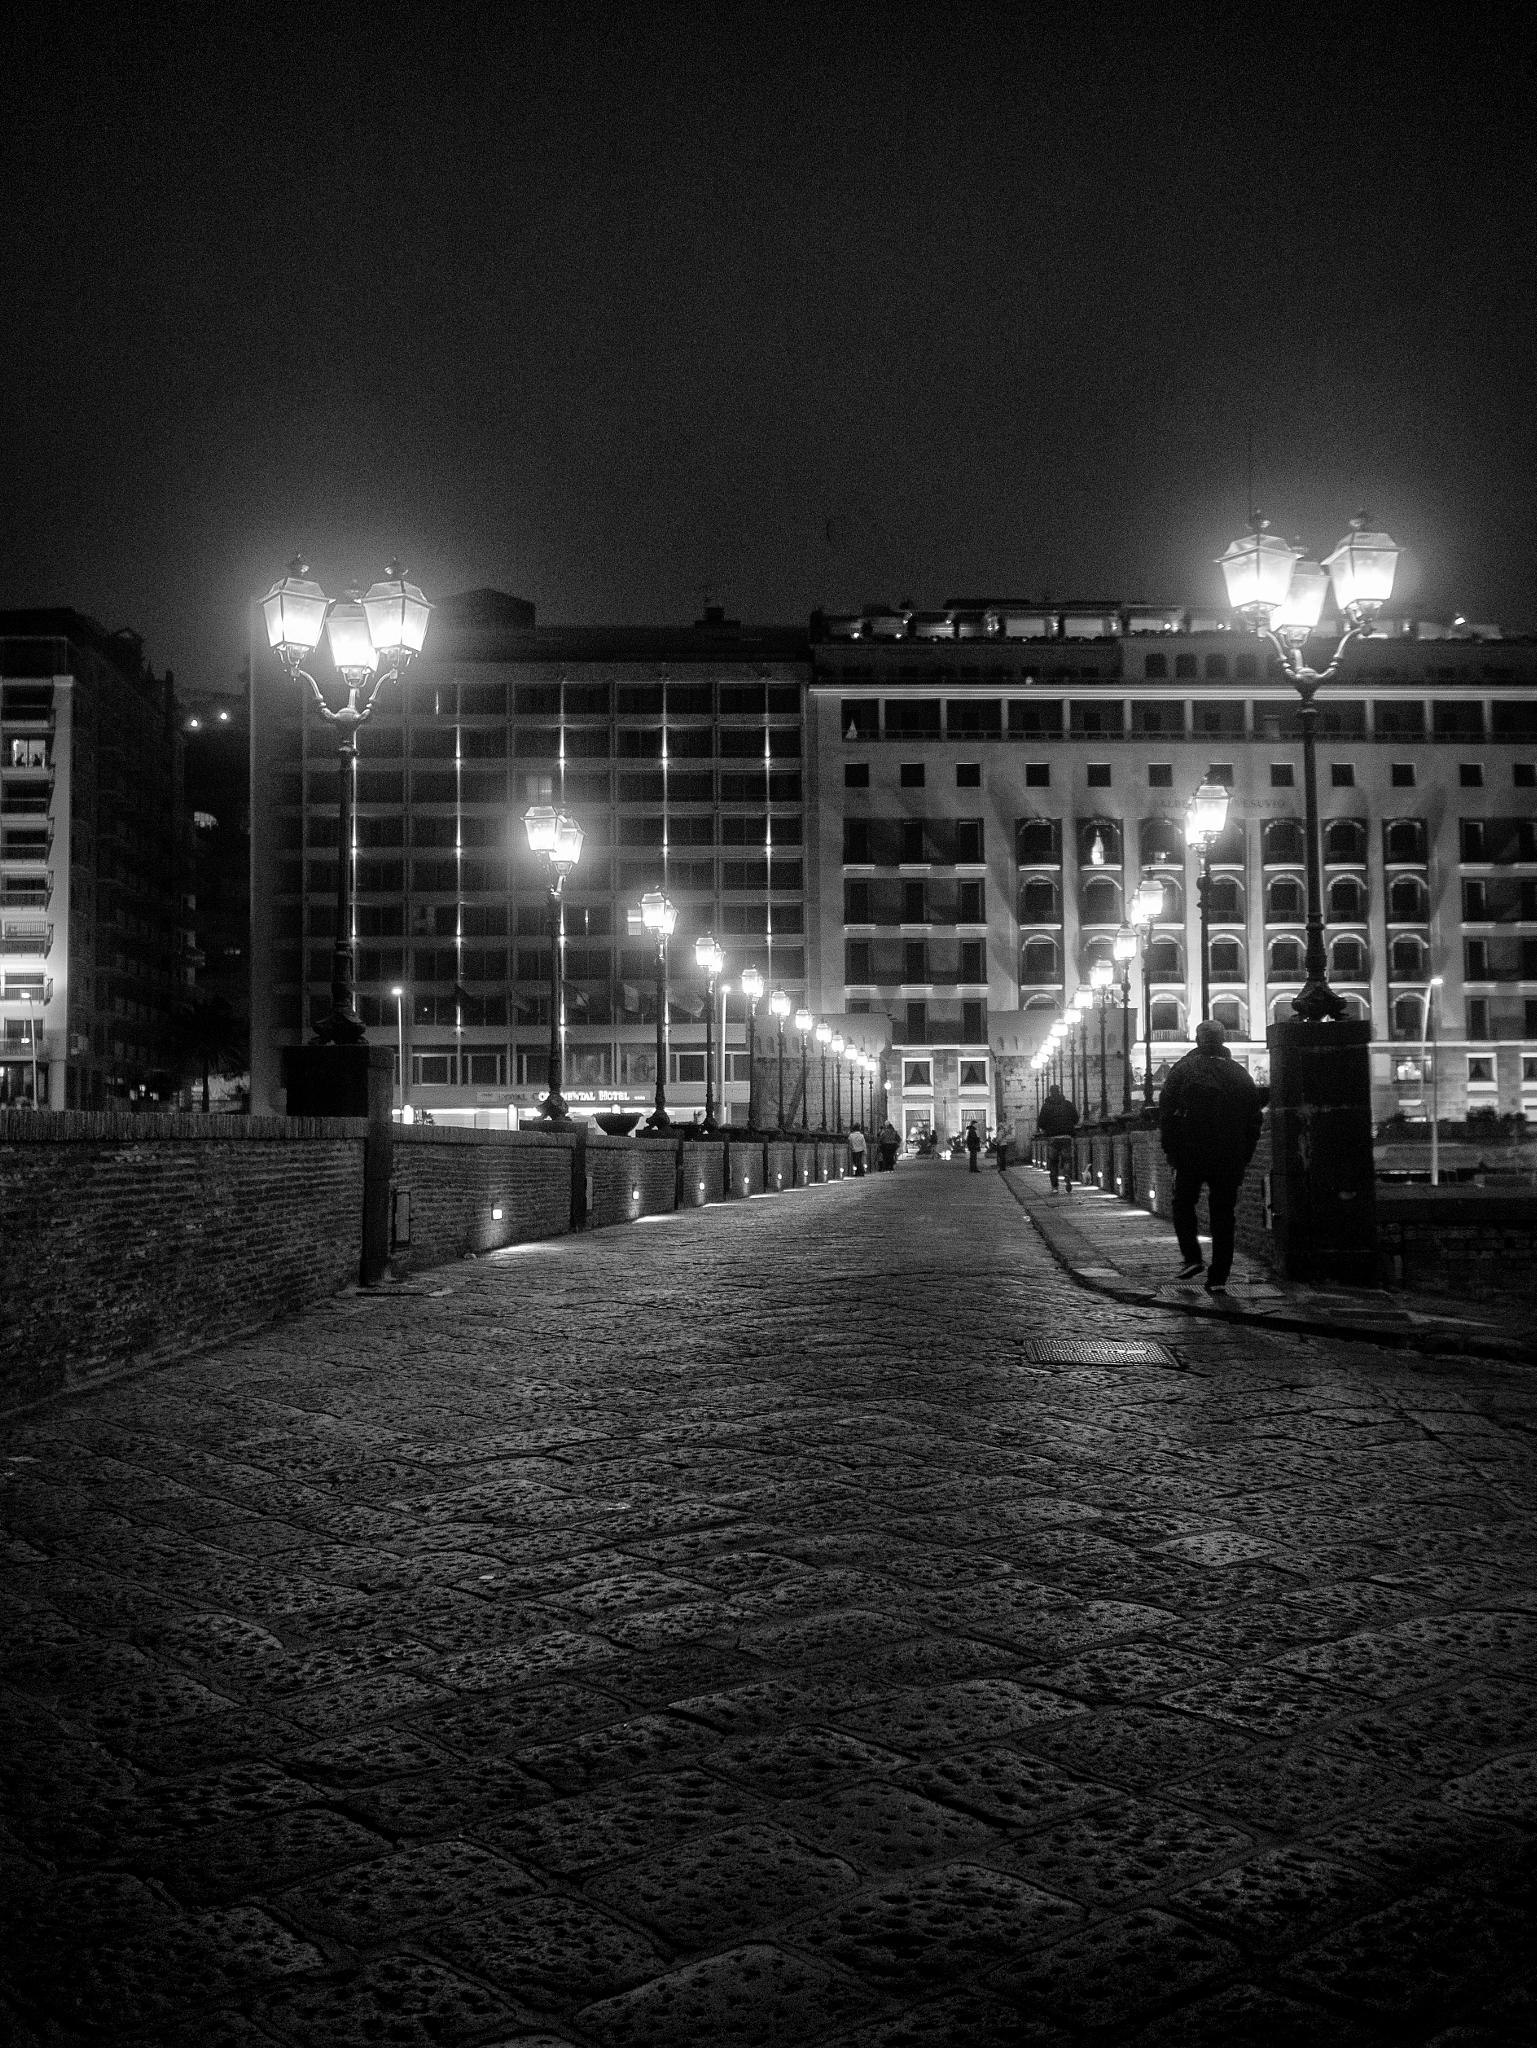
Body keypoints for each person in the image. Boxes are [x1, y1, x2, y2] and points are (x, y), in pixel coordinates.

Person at [1159, 1019, 1263, 1295]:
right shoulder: (1239, 1073)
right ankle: (1218, 1277)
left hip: (1191, 1153)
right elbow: (1254, 1118)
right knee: (1223, 1215)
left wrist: (1172, 1152)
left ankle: (1192, 1257)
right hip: (1228, 1156)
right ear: (1222, 1040)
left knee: (1182, 1204)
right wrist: (1244, 1154)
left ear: (1198, 1040)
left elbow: (1166, 1112)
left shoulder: (1183, 1070)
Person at [1037, 1085, 1079, 1191]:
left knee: (1053, 1163)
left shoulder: (1046, 1106)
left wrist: (1048, 1127)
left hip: (1052, 1138)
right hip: (1066, 1137)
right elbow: (1076, 1119)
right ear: (1059, 1092)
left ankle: (1055, 1186)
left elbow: (1041, 1123)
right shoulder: (1067, 1104)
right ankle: (1067, 1176)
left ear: (1050, 1092)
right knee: (1067, 1160)